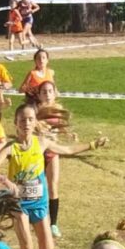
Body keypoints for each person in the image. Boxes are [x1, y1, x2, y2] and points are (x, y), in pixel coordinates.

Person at [0, 103, 109, 249]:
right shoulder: (11, 147)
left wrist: (92, 145)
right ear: (16, 123)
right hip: (18, 204)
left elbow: (68, 150)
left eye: (30, 119)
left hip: (39, 203)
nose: (26, 123)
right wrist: (5, 182)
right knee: (27, 246)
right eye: (22, 120)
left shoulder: (41, 143)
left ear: (35, 123)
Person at [35, 79, 74, 239]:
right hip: (38, 153)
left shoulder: (58, 110)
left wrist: (69, 133)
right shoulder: (36, 110)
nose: (47, 94)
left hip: (52, 153)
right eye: (44, 91)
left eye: (50, 91)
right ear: (39, 95)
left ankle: (53, 224)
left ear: (55, 92)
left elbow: (62, 126)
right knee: (37, 187)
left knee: (53, 186)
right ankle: (37, 219)